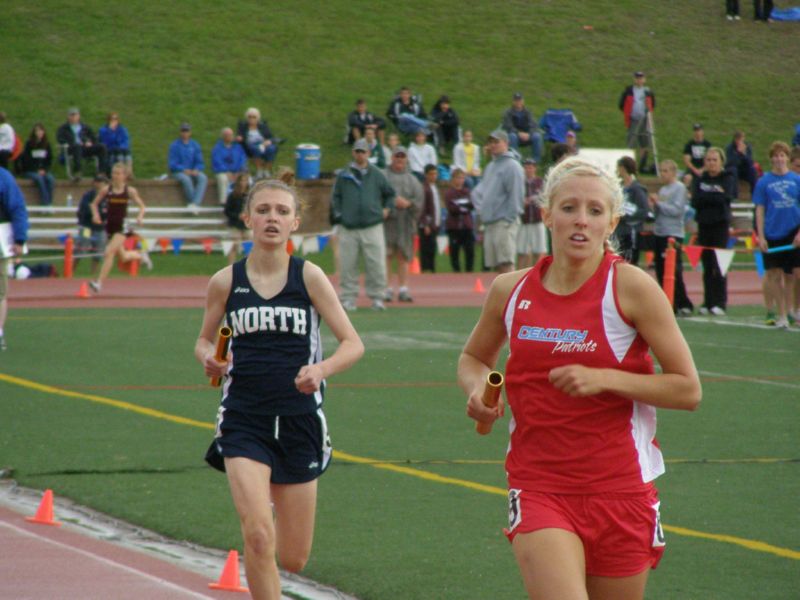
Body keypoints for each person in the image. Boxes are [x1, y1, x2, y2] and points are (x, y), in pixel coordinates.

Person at [457, 155, 702, 600]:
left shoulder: (632, 287)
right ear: (547, 213)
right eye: (569, 208)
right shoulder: (509, 290)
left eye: (594, 211)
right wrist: (479, 391)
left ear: (612, 222)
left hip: (622, 490)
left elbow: (687, 389)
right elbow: (475, 357)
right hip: (539, 486)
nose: (581, 221)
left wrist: (606, 379)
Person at [195, 177, 364, 600]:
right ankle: (258, 527)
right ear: (248, 218)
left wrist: (320, 369)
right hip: (243, 418)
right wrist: (208, 357)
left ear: (295, 223)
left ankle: (267, 527)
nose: (273, 218)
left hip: (299, 419)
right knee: (257, 536)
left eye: (282, 211)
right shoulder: (225, 281)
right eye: (265, 210)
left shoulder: (309, 277)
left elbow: (353, 344)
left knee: (293, 558)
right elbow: (203, 339)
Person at [331, 139, 395, 311]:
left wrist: (388, 209)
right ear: (353, 152)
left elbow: (390, 194)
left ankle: (377, 297)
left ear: (368, 153)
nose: (360, 154)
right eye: (357, 151)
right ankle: (348, 297)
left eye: (363, 151)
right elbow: (336, 196)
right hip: (348, 226)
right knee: (347, 264)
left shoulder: (377, 173)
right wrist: (339, 214)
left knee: (376, 263)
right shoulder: (344, 174)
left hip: (372, 225)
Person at [752, 141, 800, 329]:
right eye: (776, 156)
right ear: (771, 158)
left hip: (793, 231)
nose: (779, 159)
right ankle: (780, 314)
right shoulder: (764, 182)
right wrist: (761, 236)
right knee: (774, 274)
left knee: (794, 273)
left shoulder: (796, 180)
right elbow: (760, 210)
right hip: (772, 233)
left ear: (787, 158)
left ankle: (793, 309)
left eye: (782, 155)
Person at [88, 163, 152, 293]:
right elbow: (93, 204)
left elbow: (142, 206)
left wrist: (140, 217)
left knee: (109, 252)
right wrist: (95, 215)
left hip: (123, 227)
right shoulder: (106, 190)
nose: (115, 176)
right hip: (110, 226)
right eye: (113, 173)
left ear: (124, 176)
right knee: (123, 257)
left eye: (118, 173)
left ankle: (98, 283)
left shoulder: (130, 191)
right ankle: (140, 255)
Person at [472, 130, 525, 273]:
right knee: (497, 265)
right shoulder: (491, 167)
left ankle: (513, 295)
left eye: (497, 142)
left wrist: (509, 219)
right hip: (490, 222)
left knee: (506, 263)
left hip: (503, 221)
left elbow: (516, 194)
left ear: (506, 144)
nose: (493, 145)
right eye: (491, 142)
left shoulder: (512, 166)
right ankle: (503, 295)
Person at [691, 147, 736, 316]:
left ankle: (720, 302)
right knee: (707, 265)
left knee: (719, 264)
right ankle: (708, 301)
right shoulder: (700, 179)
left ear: (721, 162)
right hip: (704, 225)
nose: (711, 163)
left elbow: (725, 198)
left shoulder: (727, 178)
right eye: (708, 160)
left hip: (720, 226)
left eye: (714, 160)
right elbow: (696, 200)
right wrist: (713, 196)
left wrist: (709, 197)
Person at [649, 159, 694, 315]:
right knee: (661, 269)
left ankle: (683, 303)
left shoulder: (679, 188)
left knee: (674, 269)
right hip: (660, 231)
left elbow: (676, 211)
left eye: (666, 170)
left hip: (673, 233)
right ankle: (668, 302)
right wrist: (654, 206)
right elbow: (659, 212)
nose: (663, 174)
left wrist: (659, 204)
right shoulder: (662, 190)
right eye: (661, 171)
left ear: (674, 172)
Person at [383, 145, 423, 302]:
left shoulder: (413, 180)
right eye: (397, 156)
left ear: (406, 159)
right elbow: (377, 196)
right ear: (392, 157)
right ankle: (386, 288)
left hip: (405, 221)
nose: (399, 159)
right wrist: (390, 203)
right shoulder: (383, 176)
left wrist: (408, 203)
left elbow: (419, 202)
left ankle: (403, 288)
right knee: (386, 255)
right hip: (387, 222)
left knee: (404, 255)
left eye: (402, 156)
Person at [0, 167, 29, 351]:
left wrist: (19, 238)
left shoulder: (3, 177)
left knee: (0, 289)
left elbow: (17, 207)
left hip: (0, 238)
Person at [614, 156, 650, 265]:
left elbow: (644, 211)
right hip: (619, 231)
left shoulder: (637, 189)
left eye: (618, 167)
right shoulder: (619, 187)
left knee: (630, 263)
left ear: (623, 168)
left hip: (631, 232)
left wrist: (626, 216)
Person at [56, 107, 109, 179]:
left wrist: (90, 142)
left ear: (79, 116)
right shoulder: (63, 128)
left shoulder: (85, 127)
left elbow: (94, 137)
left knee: (102, 147)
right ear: (68, 117)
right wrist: (71, 143)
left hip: (86, 148)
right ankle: (78, 171)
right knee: (77, 146)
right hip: (72, 148)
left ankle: (101, 172)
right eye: (72, 115)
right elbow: (60, 139)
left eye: (75, 115)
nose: (74, 117)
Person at [618, 71, 655, 174]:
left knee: (644, 143)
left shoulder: (648, 91)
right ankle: (631, 167)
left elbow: (652, 104)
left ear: (644, 79)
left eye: (641, 78)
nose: (639, 80)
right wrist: (627, 112)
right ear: (634, 79)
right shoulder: (629, 91)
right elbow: (621, 104)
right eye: (637, 78)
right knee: (632, 143)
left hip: (644, 120)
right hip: (633, 119)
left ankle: (642, 166)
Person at [168, 122, 208, 212]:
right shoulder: (175, 146)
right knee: (186, 179)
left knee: (203, 178)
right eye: (183, 131)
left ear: (190, 133)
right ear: (180, 132)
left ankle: (195, 203)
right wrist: (183, 169)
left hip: (192, 171)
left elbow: (200, 162)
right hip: (178, 172)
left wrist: (197, 169)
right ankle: (192, 203)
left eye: (187, 131)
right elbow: (172, 163)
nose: (185, 133)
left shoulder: (195, 145)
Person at [74, 174, 108, 276]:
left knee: (98, 252)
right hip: (87, 226)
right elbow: (84, 209)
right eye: (97, 181)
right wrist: (97, 212)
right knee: (80, 249)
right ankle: (71, 272)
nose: (99, 184)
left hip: (100, 228)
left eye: (101, 182)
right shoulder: (88, 195)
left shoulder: (108, 197)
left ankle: (93, 274)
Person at [517, 158, 546, 269]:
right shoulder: (520, 182)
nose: (528, 169)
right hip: (524, 220)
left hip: (538, 219)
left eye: (531, 167)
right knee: (522, 250)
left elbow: (545, 198)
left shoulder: (540, 182)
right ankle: (520, 273)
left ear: (535, 168)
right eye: (526, 167)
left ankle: (536, 271)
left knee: (538, 249)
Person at [444, 168, 475, 273]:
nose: (460, 180)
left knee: (470, 250)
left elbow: (471, 206)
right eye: (458, 177)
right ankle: (456, 271)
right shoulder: (449, 193)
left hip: (467, 226)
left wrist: (460, 205)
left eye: (462, 178)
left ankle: (469, 271)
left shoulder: (467, 192)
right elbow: (452, 208)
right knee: (454, 251)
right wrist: (463, 206)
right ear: (453, 179)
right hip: (454, 227)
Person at [237, 107, 281, 178]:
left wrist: (268, 141)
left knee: (272, 148)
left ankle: (266, 170)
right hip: (250, 145)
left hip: (263, 144)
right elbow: (240, 136)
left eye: (254, 117)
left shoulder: (263, 126)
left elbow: (270, 137)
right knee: (257, 149)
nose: (251, 119)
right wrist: (240, 138)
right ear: (247, 117)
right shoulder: (243, 126)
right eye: (249, 117)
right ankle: (259, 170)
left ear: (258, 118)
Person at [20, 123, 55, 206]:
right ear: (34, 133)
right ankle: (45, 204)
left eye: (41, 131)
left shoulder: (46, 144)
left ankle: (49, 203)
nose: (39, 133)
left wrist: (44, 169)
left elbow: (49, 160)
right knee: (40, 180)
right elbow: (26, 160)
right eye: (37, 131)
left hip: (43, 170)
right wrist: (36, 170)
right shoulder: (29, 144)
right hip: (31, 171)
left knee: (50, 179)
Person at [502, 92, 543, 163]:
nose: (518, 102)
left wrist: (529, 134)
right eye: (516, 100)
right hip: (515, 136)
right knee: (512, 136)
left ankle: (536, 160)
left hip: (528, 135)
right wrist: (518, 133)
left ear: (523, 101)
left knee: (537, 136)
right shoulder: (508, 112)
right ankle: (515, 160)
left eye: (520, 100)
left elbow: (533, 125)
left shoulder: (528, 112)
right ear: (513, 102)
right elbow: (508, 126)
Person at [211, 127, 248, 205]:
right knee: (223, 178)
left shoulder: (238, 147)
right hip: (222, 172)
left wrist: (238, 171)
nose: (230, 137)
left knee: (244, 179)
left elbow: (242, 160)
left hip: (237, 171)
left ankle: (243, 200)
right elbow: (217, 162)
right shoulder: (217, 148)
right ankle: (223, 202)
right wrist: (226, 171)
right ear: (223, 136)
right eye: (227, 135)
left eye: (231, 135)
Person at [223, 172, 251, 265]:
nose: (244, 182)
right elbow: (227, 211)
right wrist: (237, 215)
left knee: (249, 246)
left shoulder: (250, 196)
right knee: (234, 245)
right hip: (235, 224)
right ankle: (231, 266)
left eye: (246, 180)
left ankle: (248, 266)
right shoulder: (233, 195)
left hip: (247, 224)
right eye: (243, 180)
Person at [418, 164, 441, 272]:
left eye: (435, 174)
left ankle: (432, 269)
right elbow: (422, 207)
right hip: (427, 224)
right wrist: (425, 224)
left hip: (434, 223)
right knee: (426, 248)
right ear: (426, 175)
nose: (434, 176)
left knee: (432, 248)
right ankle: (425, 269)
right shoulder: (424, 188)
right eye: (431, 174)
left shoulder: (434, 187)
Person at [98, 112, 133, 178]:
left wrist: (121, 146)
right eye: (112, 119)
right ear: (108, 120)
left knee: (127, 152)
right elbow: (107, 142)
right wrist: (111, 131)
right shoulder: (103, 130)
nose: (114, 120)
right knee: (118, 153)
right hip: (109, 149)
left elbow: (126, 141)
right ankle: (121, 173)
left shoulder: (122, 129)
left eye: (115, 119)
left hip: (120, 148)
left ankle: (128, 173)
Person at [724, 130, 757, 199]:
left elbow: (750, 163)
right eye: (738, 139)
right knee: (733, 170)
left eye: (741, 139)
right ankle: (734, 197)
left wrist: (744, 154)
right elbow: (730, 162)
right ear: (735, 139)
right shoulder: (729, 148)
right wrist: (738, 153)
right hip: (734, 169)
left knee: (753, 170)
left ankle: (755, 195)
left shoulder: (747, 147)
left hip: (744, 170)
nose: (739, 141)